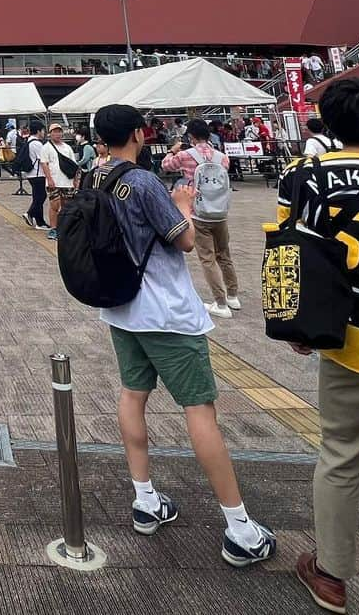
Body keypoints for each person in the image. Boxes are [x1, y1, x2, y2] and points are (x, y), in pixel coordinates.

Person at [90, 103, 275, 567]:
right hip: (166, 311)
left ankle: (145, 499)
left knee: (133, 395)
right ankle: (238, 527)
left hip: (120, 308)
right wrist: (184, 207)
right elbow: (185, 240)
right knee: (199, 409)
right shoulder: (143, 180)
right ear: (137, 133)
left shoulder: (94, 176)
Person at [279, 78, 359, 612]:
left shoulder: (304, 174)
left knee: (342, 456)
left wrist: (297, 324)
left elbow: (288, 248)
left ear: (331, 124)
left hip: (355, 340)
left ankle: (333, 574)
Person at [163, 119, 238, 319]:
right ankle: (233, 295)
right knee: (224, 254)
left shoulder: (185, 155)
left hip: (198, 211)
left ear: (191, 136)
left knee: (207, 258)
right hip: (220, 211)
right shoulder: (222, 157)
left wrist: (173, 150)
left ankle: (220, 303)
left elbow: (166, 166)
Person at [40, 122, 78, 241]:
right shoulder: (46, 147)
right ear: (50, 133)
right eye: (54, 131)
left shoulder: (67, 147)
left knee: (67, 206)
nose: (57, 134)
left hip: (67, 181)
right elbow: (44, 164)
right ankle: (54, 228)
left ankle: (66, 228)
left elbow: (74, 164)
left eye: (59, 131)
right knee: (54, 205)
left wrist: (76, 180)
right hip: (54, 181)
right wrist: (49, 179)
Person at [23, 123, 48, 227]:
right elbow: (43, 159)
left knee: (37, 196)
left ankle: (40, 221)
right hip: (38, 173)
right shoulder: (37, 144)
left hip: (31, 173)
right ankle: (29, 213)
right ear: (38, 131)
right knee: (41, 196)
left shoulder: (29, 141)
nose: (44, 133)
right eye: (43, 130)